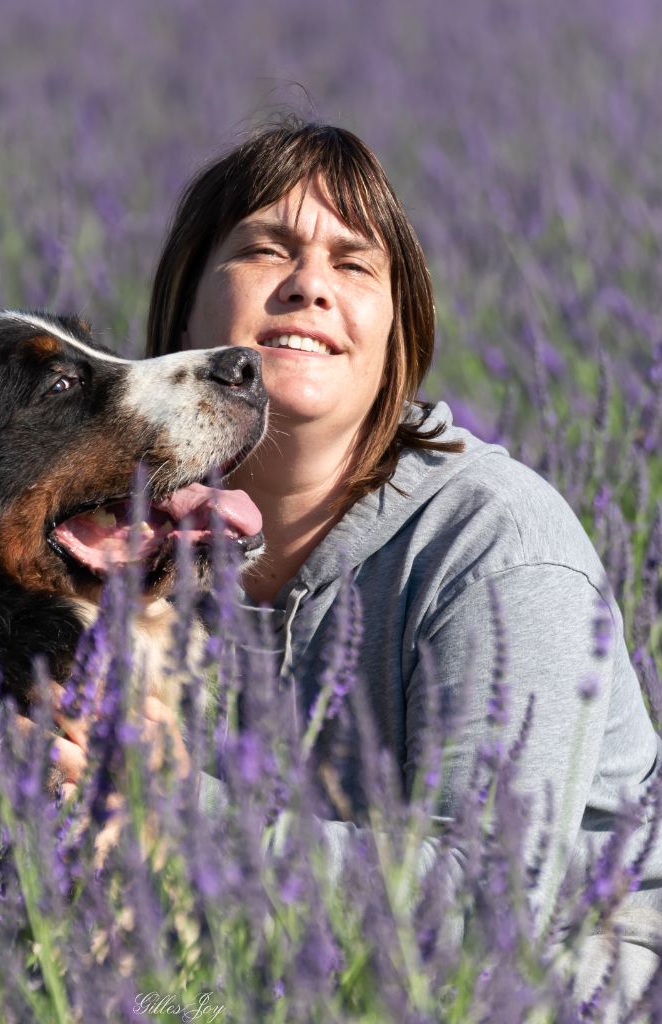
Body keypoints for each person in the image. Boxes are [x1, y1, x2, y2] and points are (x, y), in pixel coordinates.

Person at [138, 120, 661, 1008]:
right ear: (184, 307)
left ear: (397, 336)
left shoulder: (493, 547)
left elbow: (484, 909)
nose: (309, 285)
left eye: (353, 265)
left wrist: (165, 805)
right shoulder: (124, 538)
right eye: (266, 249)